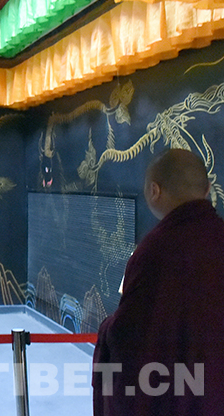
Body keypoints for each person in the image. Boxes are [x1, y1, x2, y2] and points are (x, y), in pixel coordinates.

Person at [92, 148, 224, 415]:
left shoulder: (155, 250)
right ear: (208, 189)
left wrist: (106, 328)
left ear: (154, 190)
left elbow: (130, 335)